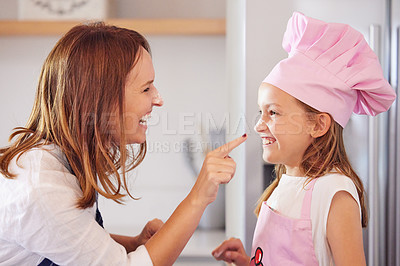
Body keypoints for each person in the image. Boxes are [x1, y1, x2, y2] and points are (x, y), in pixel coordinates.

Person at [0, 22, 247, 265]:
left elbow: (63, 238)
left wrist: (132, 244)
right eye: (146, 89)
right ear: (101, 100)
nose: (158, 99)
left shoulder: (54, 166)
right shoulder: (43, 188)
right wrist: (199, 196)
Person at [212, 12, 396, 266]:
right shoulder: (283, 184)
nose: (258, 125)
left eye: (273, 112)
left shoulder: (334, 193)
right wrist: (247, 262)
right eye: (260, 112)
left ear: (318, 124)